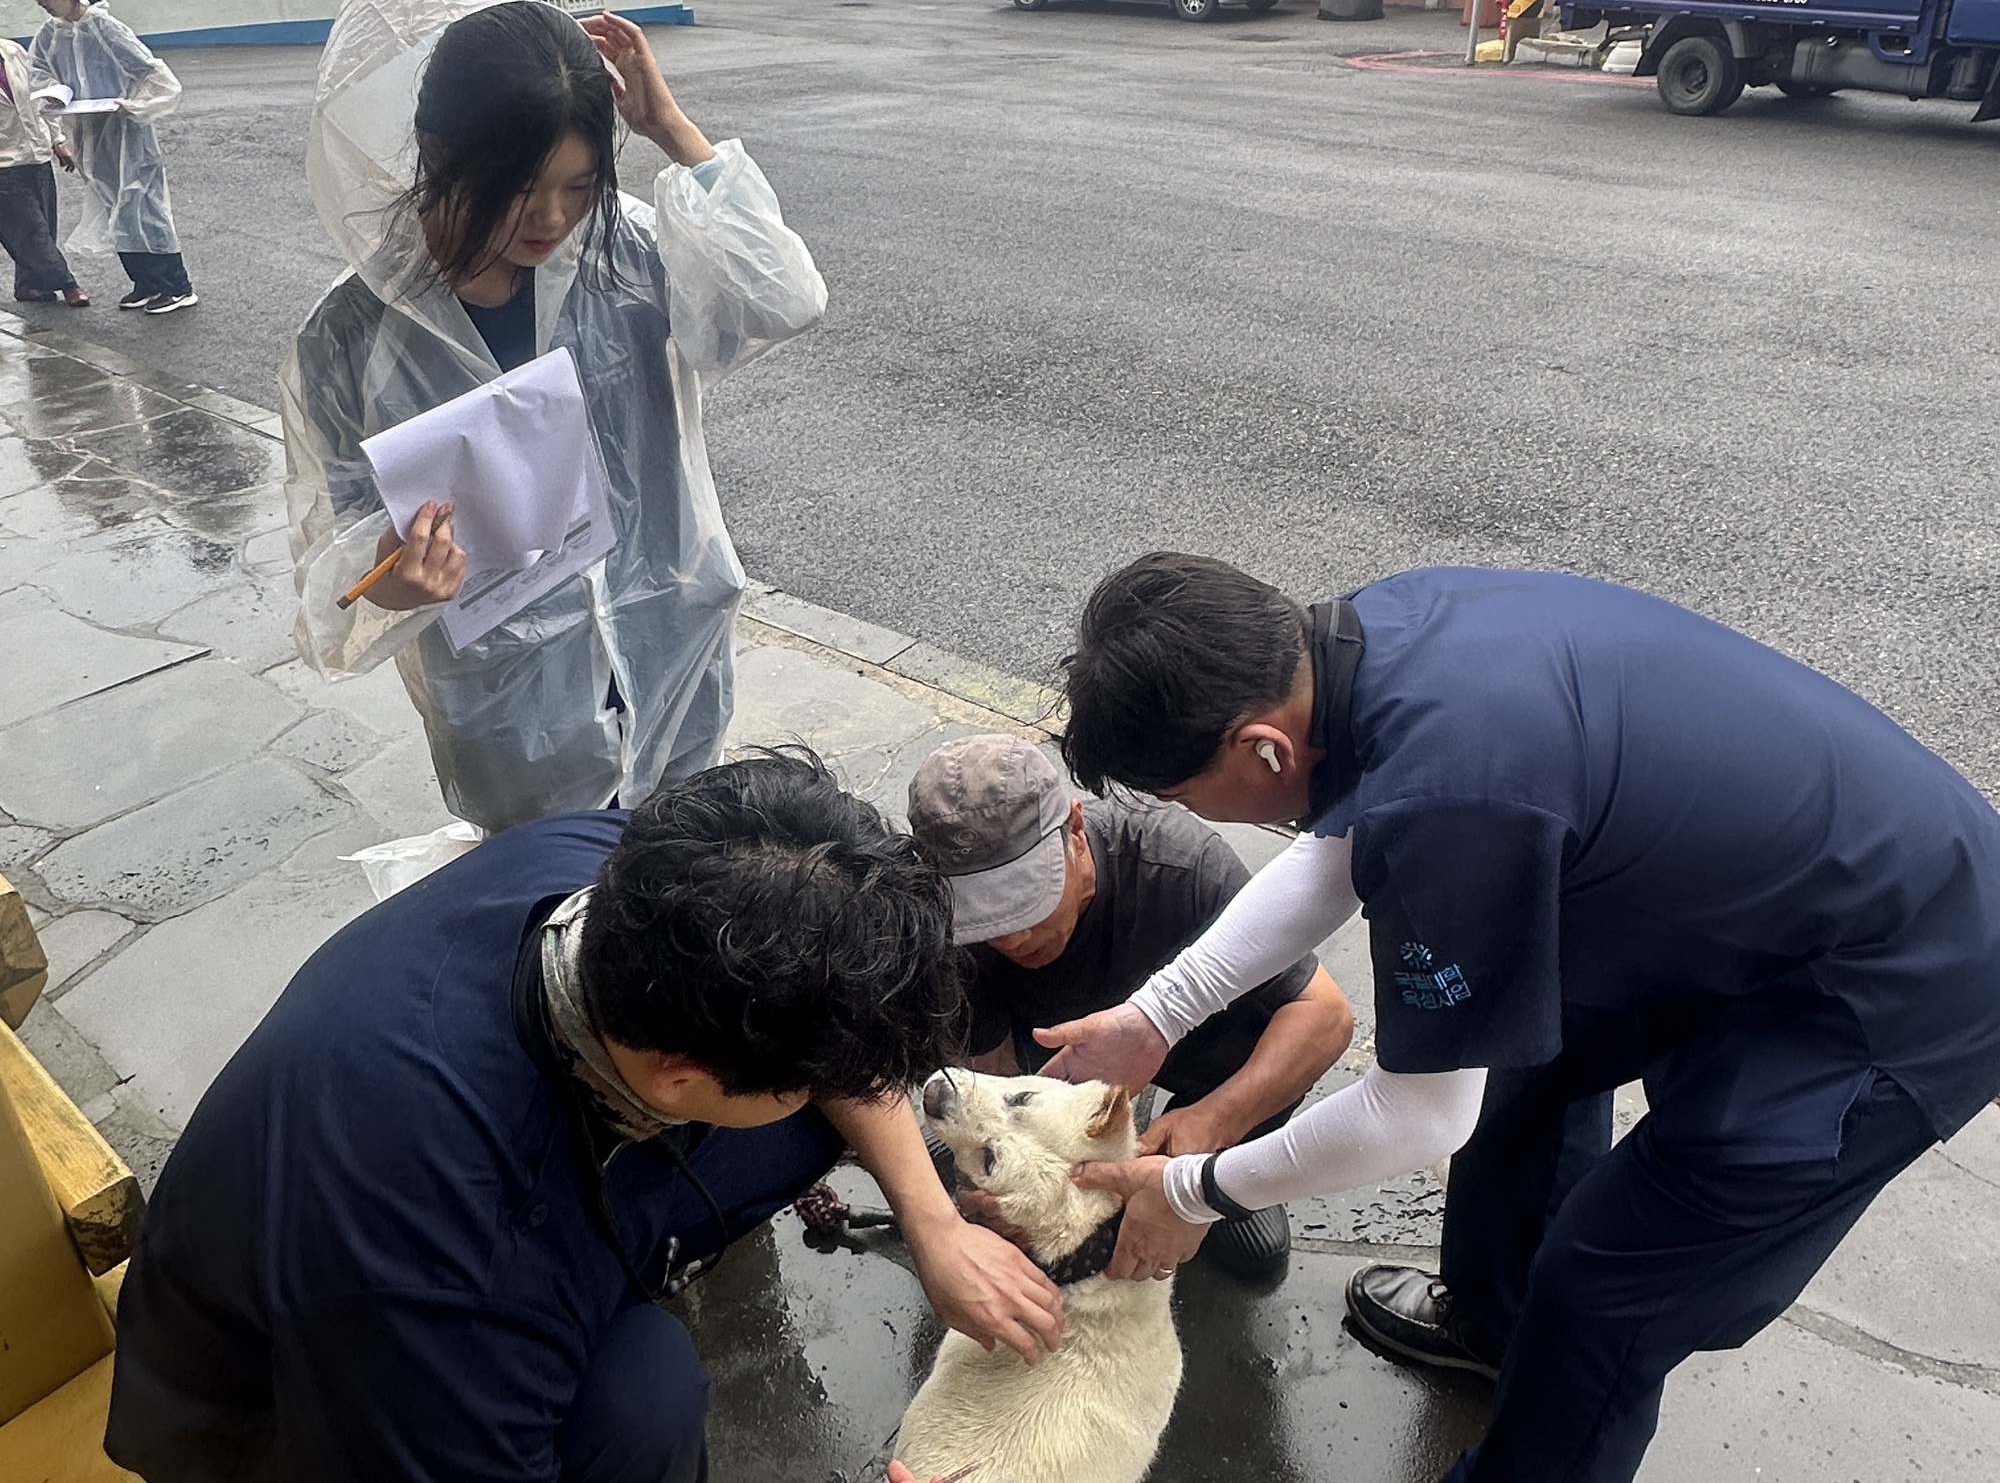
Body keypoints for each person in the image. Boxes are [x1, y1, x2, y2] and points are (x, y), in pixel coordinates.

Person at [1037, 553, 2000, 1483]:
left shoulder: (1450, 788)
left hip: (1899, 980)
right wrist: (1157, 1016)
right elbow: (1348, 835)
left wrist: (1196, 1192)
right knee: (1516, 1054)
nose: (1193, 813)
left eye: (1180, 794)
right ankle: (1495, 1326)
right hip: (1761, 893)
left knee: (1608, 1290)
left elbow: (1416, 1115)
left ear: (1262, 747)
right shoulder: (1365, 642)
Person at [105, 750, 1063, 1482]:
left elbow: (830, 1042)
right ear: (681, 1074)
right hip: (278, 1422)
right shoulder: (448, 1271)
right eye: (810, 1073)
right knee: (641, 1392)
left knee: (823, 1113)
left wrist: (934, 1227)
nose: (856, 1087)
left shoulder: (628, 875)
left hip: (464, 1209)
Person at [286, 0, 826, 832]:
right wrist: (397, 575)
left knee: (678, 893)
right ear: (437, 149)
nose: (551, 216)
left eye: (579, 184)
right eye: (519, 186)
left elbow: (786, 299)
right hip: (513, 717)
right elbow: (333, 582)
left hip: (668, 648)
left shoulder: (625, 252)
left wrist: (674, 132)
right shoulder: (349, 341)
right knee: (549, 911)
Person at [906, 733, 1354, 1281]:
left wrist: (1214, 1128)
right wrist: (1011, 1184)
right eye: (987, 916)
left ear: (1074, 829)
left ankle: (1224, 1157)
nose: (1013, 936)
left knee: (1255, 1260)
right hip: (1045, 1061)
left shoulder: (1179, 869)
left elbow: (1326, 1016)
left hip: (1198, 1053)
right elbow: (991, 1074)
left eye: (1026, 901)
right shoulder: (945, 929)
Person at [25, 0, 194, 314]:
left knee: (145, 207)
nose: (43, 4)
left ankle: (177, 286)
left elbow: (154, 74)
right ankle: (144, 282)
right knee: (117, 210)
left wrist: (136, 104)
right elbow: (39, 72)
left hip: (126, 133)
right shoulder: (49, 34)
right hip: (89, 134)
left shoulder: (106, 28)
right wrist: (54, 93)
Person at [0, 32, 85, 307]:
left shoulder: (13, 52)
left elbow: (39, 100)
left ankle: (28, 284)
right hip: (3, 163)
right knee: (30, 231)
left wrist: (57, 141)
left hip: (37, 153)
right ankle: (68, 284)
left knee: (44, 225)